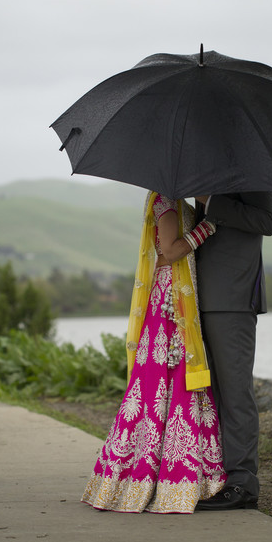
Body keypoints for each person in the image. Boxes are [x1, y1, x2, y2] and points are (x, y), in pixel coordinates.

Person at [82, 191, 227, 514]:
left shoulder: (179, 202)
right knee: (168, 383)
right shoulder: (165, 199)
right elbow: (169, 251)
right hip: (170, 303)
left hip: (176, 296)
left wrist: (204, 206)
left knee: (168, 384)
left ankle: (169, 478)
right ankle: (167, 481)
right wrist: (207, 228)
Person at [194, 192, 272, 510]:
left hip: (234, 297)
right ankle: (217, 478)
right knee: (212, 394)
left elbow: (267, 221)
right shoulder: (204, 166)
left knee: (235, 393)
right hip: (199, 295)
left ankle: (242, 483)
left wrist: (210, 201)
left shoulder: (251, 168)